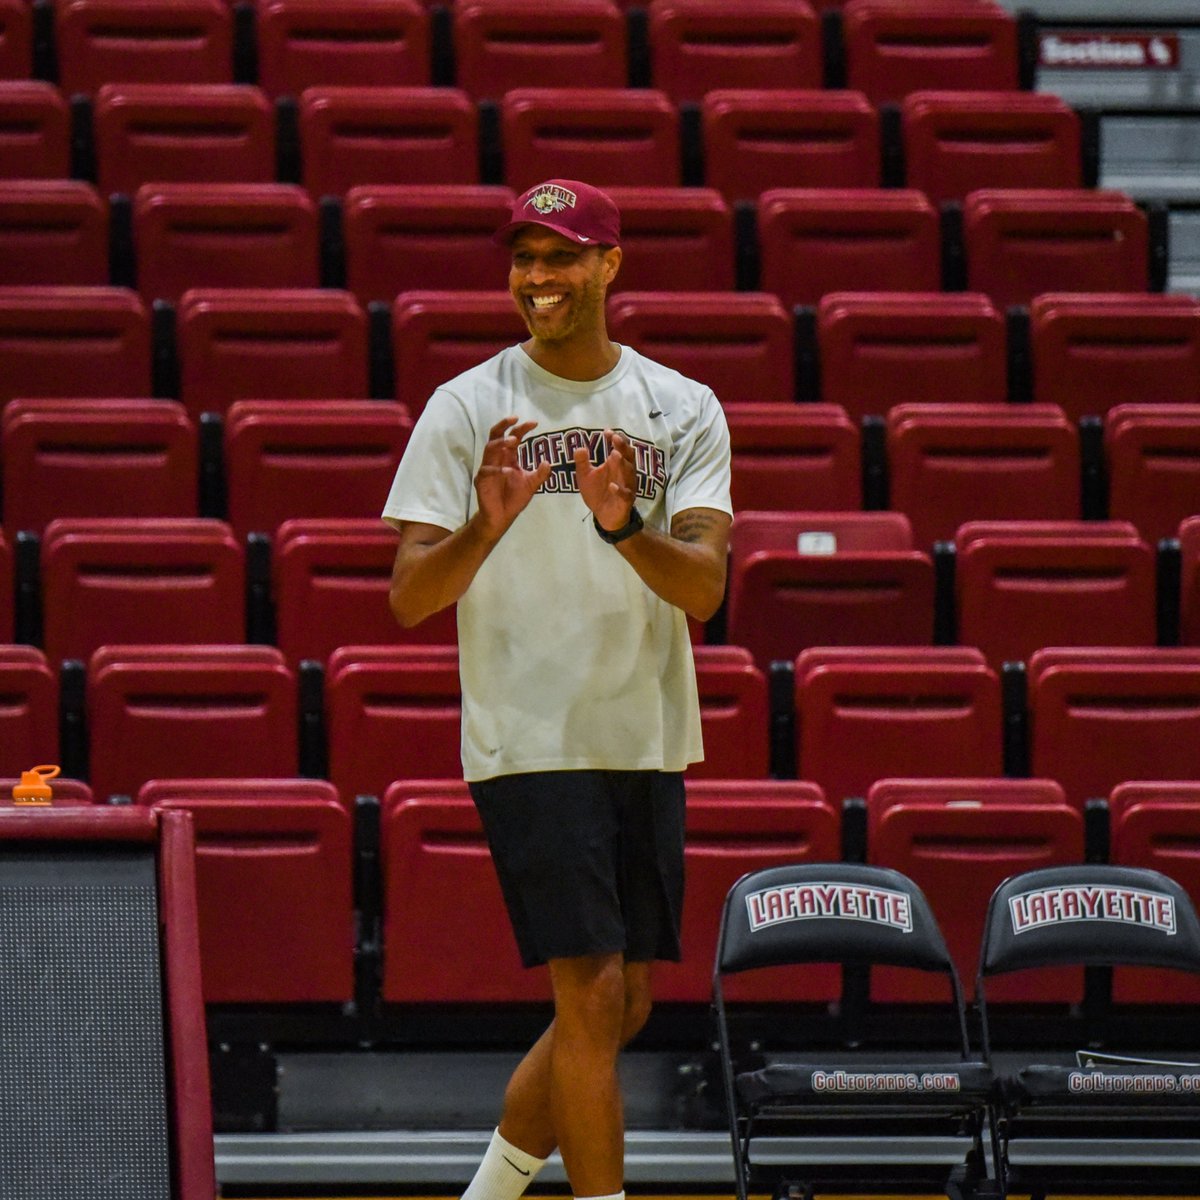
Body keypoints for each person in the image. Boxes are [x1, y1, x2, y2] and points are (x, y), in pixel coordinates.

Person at [381, 178, 732, 1200]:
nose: (539, 278)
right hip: (531, 732)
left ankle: (487, 1193)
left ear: (609, 265)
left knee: (623, 1004)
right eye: (524, 259)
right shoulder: (467, 406)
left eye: (561, 257)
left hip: (648, 730)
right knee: (588, 1000)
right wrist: (483, 527)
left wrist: (628, 528)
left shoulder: (682, 407)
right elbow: (409, 598)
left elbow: (705, 588)